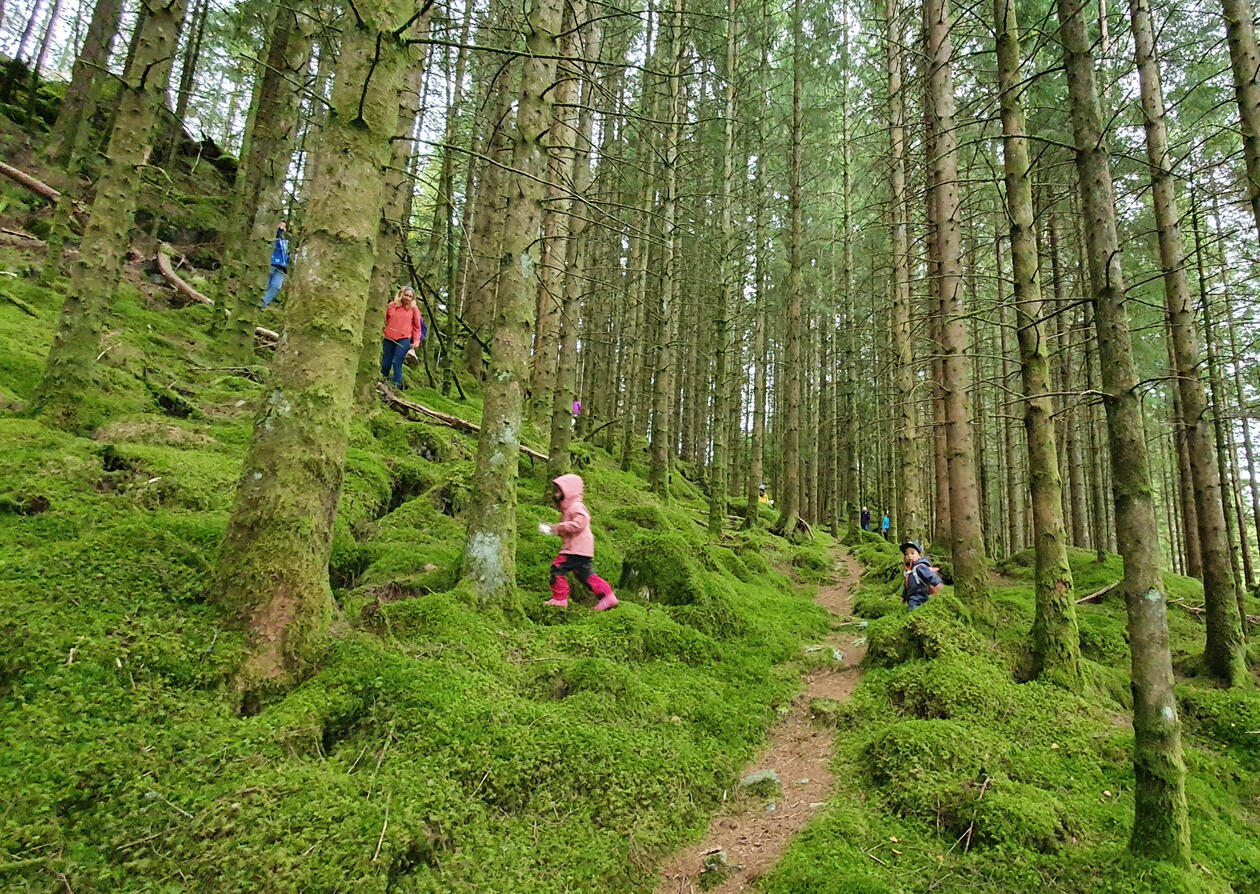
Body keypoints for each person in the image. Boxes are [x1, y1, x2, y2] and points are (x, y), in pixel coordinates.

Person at [539, 473, 618, 611]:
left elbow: (579, 523)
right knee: (585, 575)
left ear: (568, 491)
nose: (556, 495)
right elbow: (568, 528)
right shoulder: (568, 509)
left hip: (575, 549)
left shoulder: (576, 506)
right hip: (582, 549)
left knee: (557, 567)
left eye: (559, 491)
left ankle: (560, 598)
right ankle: (607, 597)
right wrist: (554, 529)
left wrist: (560, 527)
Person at [380, 286, 424, 388]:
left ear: (413, 298)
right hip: (389, 337)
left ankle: (396, 385)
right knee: (386, 362)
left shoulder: (414, 309)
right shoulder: (391, 305)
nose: (407, 298)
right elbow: (385, 320)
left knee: (397, 362)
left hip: (404, 339)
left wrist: (416, 342)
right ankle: (382, 381)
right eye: (406, 295)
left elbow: (418, 327)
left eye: (410, 296)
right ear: (401, 294)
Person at [900, 540, 944, 610]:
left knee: (914, 609)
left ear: (919, 556)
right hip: (911, 596)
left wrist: (937, 583)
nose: (909, 556)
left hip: (920, 595)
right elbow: (906, 586)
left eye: (912, 553)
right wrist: (904, 597)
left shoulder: (920, 567)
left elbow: (930, 575)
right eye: (906, 554)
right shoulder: (909, 571)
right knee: (912, 605)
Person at [261, 221, 289, 307]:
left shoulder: (285, 241)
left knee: (276, 286)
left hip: (281, 267)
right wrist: (278, 230)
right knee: (266, 285)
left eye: (284, 226)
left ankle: (263, 303)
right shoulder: (272, 235)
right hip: (271, 263)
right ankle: (259, 302)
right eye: (281, 225)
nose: (282, 228)